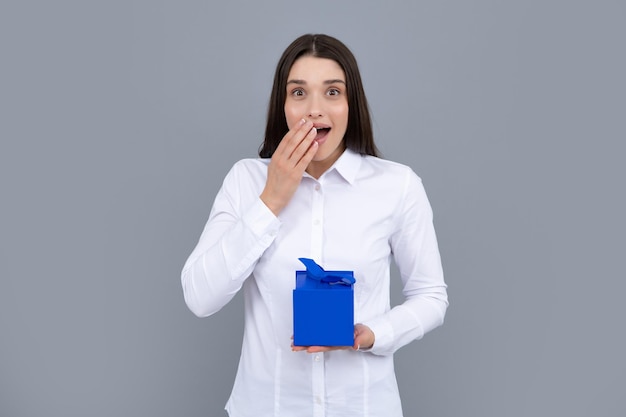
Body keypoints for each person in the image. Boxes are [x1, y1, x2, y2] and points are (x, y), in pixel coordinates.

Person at [181, 33, 448, 417]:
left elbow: (431, 297)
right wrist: (271, 200)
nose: (315, 110)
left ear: (351, 104)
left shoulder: (398, 186)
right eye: (299, 93)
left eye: (333, 92)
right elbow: (200, 298)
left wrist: (373, 335)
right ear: (283, 105)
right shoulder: (246, 182)